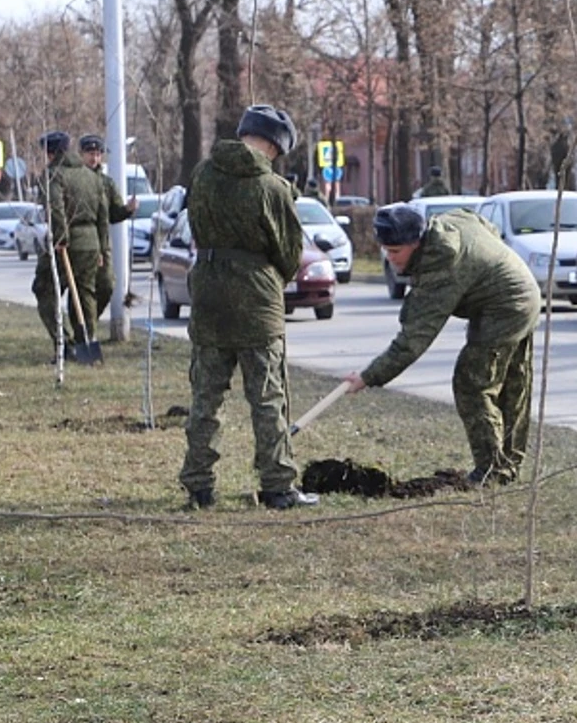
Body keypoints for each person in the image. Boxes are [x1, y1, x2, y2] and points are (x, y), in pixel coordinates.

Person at [178, 104, 317, 511]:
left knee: (206, 396)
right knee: (268, 397)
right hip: (257, 300)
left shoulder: (202, 173)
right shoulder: (271, 188)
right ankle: (278, 486)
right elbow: (289, 253)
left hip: (207, 293)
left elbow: (197, 224)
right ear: (276, 145)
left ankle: (198, 485)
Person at [343, 202, 539, 487]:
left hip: (507, 306)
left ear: (417, 241)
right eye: (386, 250)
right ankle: (506, 465)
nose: (391, 258)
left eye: (396, 251)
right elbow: (486, 227)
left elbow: (413, 341)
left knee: (472, 383)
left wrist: (367, 377)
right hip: (520, 292)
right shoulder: (450, 220)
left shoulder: (441, 265)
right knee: (510, 384)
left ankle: (493, 471)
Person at [30, 131, 105, 357]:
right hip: (91, 243)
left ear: (50, 153)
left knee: (44, 289)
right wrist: (101, 246)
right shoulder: (90, 176)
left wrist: (61, 238)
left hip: (68, 242)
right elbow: (102, 214)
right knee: (85, 295)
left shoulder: (53, 175)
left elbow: (55, 206)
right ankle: (87, 340)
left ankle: (66, 343)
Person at [79, 134, 137, 314]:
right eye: (90, 153)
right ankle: (82, 329)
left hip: (103, 246)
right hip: (81, 244)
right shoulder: (76, 181)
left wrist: (127, 209)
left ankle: (89, 323)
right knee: (83, 290)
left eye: (97, 154)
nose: (94, 158)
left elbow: (113, 214)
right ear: (81, 154)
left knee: (107, 286)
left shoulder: (107, 184)